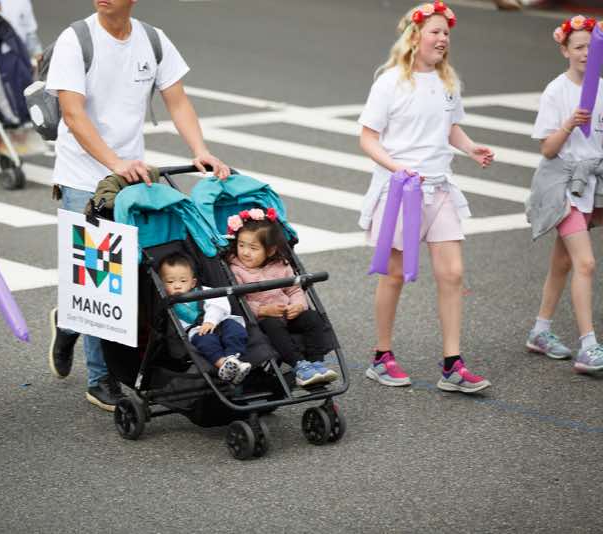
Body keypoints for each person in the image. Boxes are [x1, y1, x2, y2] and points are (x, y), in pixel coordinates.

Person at [45, 0, 230, 411]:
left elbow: (177, 100)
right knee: (100, 280)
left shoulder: (152, 40)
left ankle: (69, 321)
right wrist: (115, 163)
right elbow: (72, 114)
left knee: (126, 276)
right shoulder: (76, 40)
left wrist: (199, 150)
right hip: (83, 178)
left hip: (130, 176)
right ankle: (100, 379)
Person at [358, 2, 495, 394]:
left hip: (440, 187)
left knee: (452, 273)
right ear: (414, 36)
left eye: (446, 33)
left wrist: (471, 148)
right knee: (394, 274)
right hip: (400, 190)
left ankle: (453, 364)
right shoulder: (389, 83)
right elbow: (368, 137)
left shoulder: (447, 82)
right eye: (435, 31)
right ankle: (381, 356)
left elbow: (450, 128)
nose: (442, 39)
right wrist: (397, 168)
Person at [525, 14, 603, 374]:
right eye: (579, 47)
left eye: (592, 47)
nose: (586, 54)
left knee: (563, 263)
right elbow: (547, 149)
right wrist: (570, 123)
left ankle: (540, 331)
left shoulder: (601, 87)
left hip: (591, 183)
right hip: (562, 185)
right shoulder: (556, 91)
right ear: (565, 50)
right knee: (585, 262)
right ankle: (589, 346)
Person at [227, 208, 337, 387]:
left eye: (253, 248)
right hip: (261, 321)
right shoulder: (236, 270)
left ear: (270, 251)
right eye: (241, 245)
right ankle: (299, 365)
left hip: (287, 314)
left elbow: (294, 291)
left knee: (313, 318)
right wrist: (262, 310)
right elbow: (239, 302)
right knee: (272, 324)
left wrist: (298, 306)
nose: (245, 252)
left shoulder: (280, 265)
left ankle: (317, 363)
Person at [159, 252, 251, 384]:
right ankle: (222, 364)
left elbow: (218, 305)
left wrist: (210, 320)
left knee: (235, 329)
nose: (177, 285)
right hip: (197, 330)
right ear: (162, 284)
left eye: (183, 281)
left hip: (220, 322)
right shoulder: (168, 304)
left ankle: (233, 358)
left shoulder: (204, 291)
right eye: (170, 281)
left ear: (193, 283)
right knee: (206, 341)